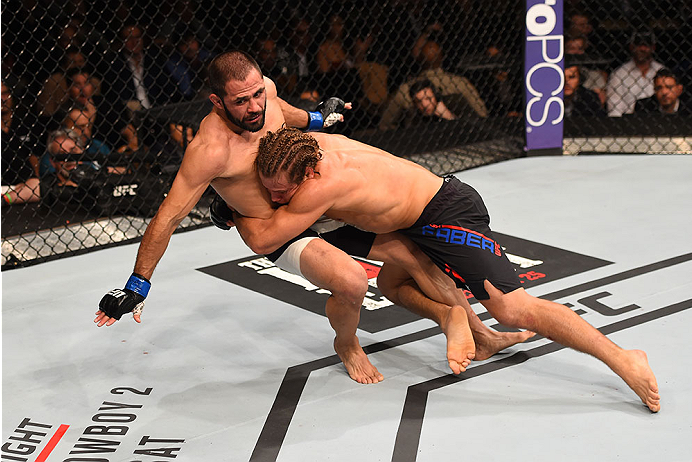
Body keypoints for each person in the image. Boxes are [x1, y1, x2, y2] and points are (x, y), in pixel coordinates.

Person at [95, 51, 532, 385]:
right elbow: (166, 218)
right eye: (241, 101)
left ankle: (482, 336)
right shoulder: (209, 151)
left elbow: (286, 112)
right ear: (216, 101)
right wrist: (139, 282)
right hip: (276, 231)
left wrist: (320, 117)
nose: (253, 107)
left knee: (415, 253)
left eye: (256, 94)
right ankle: (347, 342)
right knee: (351, 281)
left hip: (312, 207)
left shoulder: (264, 95)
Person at [232, 127, 661, 412]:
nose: (275, 198)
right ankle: (482, 336)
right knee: (393, 282)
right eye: (269, 191)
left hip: (444, 213)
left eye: (281, 191)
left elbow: (267, 240)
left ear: (308, 172)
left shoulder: (321, 186)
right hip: (404, 224)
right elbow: (278, 110)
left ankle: (624, 358)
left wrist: (228, 210)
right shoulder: (305, 143)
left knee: (514, 309)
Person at [379, 41, 488, 130]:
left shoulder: (404, 89)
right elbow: (482, 113)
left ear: (419, 60)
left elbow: (385, 124)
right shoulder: (460, 83)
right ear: (442, 58)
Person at [606, 30, 664, 117]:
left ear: (653, 48)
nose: (643, 49)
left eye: (646, 45)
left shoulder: (662, 71)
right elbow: (614, 110)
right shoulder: (619, 74)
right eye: (639, 45)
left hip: (658, 121)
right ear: (631, 47)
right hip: (627, 123)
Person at [1, 79, 40, 206]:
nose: (3, 98)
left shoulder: (25, 122)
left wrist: (36, 177)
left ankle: (5, 200)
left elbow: (33, 154)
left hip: (24, 183)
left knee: (36, 186)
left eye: (5, 93)